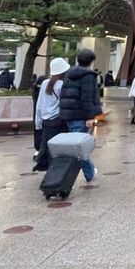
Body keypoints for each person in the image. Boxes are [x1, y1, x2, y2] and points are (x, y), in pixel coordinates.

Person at [57, 50, 101, 184]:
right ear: (91, 61)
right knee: (80, 148)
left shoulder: (69, 75)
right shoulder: (88, 76)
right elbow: (87, 98)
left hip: (68, 115)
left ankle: (87, 171)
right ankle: (89, 173)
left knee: (76, 145)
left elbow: (63, 95)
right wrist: (90, 117)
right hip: (80, 116)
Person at [32, 58, 69, 172]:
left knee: (46, 143)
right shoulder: (62, 85)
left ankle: (43, 164)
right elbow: (63, 104)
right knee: (57, 147)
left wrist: (38, 122)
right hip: (58, 120)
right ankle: (54, 169)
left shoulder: (44, 83)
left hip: (45, 120)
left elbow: (39, 104)